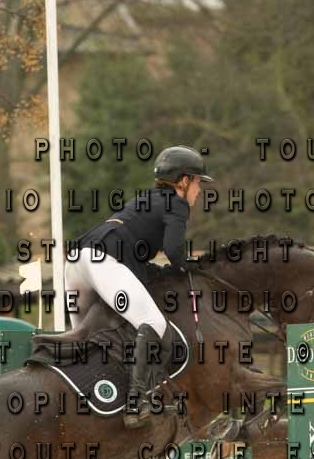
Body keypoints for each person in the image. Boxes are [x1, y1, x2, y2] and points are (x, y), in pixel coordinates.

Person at [64, 145, 214, 427]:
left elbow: (136, 257)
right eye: (197, 182)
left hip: (76, 263)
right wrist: (192, 267)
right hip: (103, 262)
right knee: (153, 323)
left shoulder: (145, 199)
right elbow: (174, 251)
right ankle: (135, 403)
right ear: (183, 181)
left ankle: (84, 405)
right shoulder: (177, 203)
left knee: (83, 339)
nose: (199, 190)